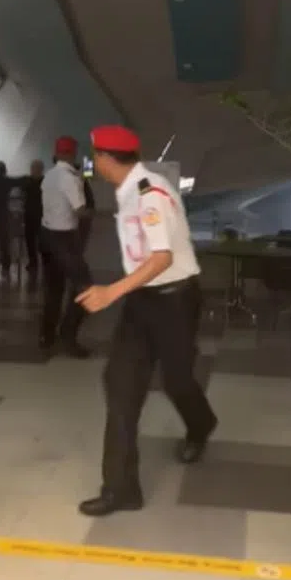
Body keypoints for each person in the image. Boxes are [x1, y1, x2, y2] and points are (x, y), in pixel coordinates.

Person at [74, 124, 218, 517]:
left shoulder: (149, 194)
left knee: (177, 380)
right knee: (120, 385)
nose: (94, 161)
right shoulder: (129, 190)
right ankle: (121, 489)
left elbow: (162, 258)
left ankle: (201, 424)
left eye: (95, 155)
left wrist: (111, 292)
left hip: (175, 302)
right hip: (142, 301)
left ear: (107, 159)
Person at [39, 136, 92, 357]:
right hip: (64, 238)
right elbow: (80, 210)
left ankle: (46, 335)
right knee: (85, 287)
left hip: (46, 235)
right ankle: (68, 335)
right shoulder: (70, 178)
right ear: (72, 154)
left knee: (54, 288)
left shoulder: (48, 176)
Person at [21, 160, 45, 274]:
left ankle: (43, 262)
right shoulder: (27, 181)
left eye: (36, 168)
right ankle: (33, 262)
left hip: (41, 215)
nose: (34, 170)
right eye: (33, 167)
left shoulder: (44, 182)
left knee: (42, 242)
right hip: (30, 215)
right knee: (30, 240)